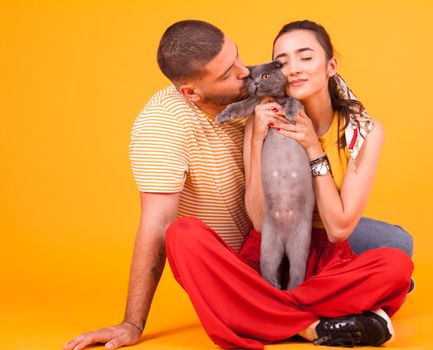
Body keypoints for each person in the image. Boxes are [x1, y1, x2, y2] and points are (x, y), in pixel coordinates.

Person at [63, 20, 414, 350]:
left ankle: (255, 311)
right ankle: (315, 324)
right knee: (181, 235)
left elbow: (338, 230)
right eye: (282, 61)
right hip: (255, 250)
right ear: (192, 91)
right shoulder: (232, 118)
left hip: (319, 243)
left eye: (306, 57)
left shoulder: (355, 128)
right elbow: (250, 223)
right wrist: (131, 324)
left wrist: (312, 147)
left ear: (331, 65)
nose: (247, 73)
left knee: (397, 258)